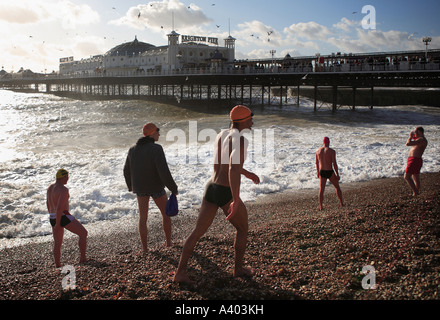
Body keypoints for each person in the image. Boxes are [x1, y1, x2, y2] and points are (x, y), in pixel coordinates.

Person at [174, 105, 260, 285]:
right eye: (250, 117)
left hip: (211, 187)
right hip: (225, 192)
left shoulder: (222, 135)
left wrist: (248, 173)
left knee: (196, 233)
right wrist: (235, 199)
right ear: (243, 120)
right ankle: (238, 269)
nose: (252, 121)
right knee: (243, 229)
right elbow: (233, 168)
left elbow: (220, 165)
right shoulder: (241, 140)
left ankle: (180, 272)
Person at [124, 123, 178, 252]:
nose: (159, 134)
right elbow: (163, 171)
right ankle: (169, 243)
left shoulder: (133, 149)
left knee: (143, 219)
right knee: (165, 215)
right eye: (158, 131)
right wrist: (173, 187)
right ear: (152, 133)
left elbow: (126, 170)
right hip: (156, 187)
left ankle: (145, 248)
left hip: (140, 188)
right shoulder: (156, 149)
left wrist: (131, 186)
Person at [46, 169, 88, 268]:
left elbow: (48, 203)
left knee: (57, 242)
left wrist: (53, 219)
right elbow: (60, 207)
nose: (68, 179)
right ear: (63, 177)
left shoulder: (50, 188)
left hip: (52, 216)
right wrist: (58, 223)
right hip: (62, 216)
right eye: (67, 177)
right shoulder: (63, 190)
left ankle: (58, 264)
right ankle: (83, 258)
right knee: (83, 233)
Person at [315, 137, 344, 210]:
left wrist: (318, 172)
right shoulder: (332, 151)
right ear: (329, 142)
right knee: (337, 187)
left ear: (323, 142)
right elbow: (334, 163)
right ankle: (341, 203)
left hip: (322, 171)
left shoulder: (318, 151)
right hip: (330, 171)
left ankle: (321, 206)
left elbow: (316, 163)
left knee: (321, 190)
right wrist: (337, 174)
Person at [404, 127, 428, 196]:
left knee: (407, 177)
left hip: (414, 160)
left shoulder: (422, 140)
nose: (414, 133)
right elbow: (414, 142)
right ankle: (416, 192)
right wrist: (413, 136)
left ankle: (416, 192)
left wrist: (410, 137)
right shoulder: (420, 139)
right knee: (415, 176)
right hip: (414, 159)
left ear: (419, 132)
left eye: (415, 132)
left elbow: (408, 143)